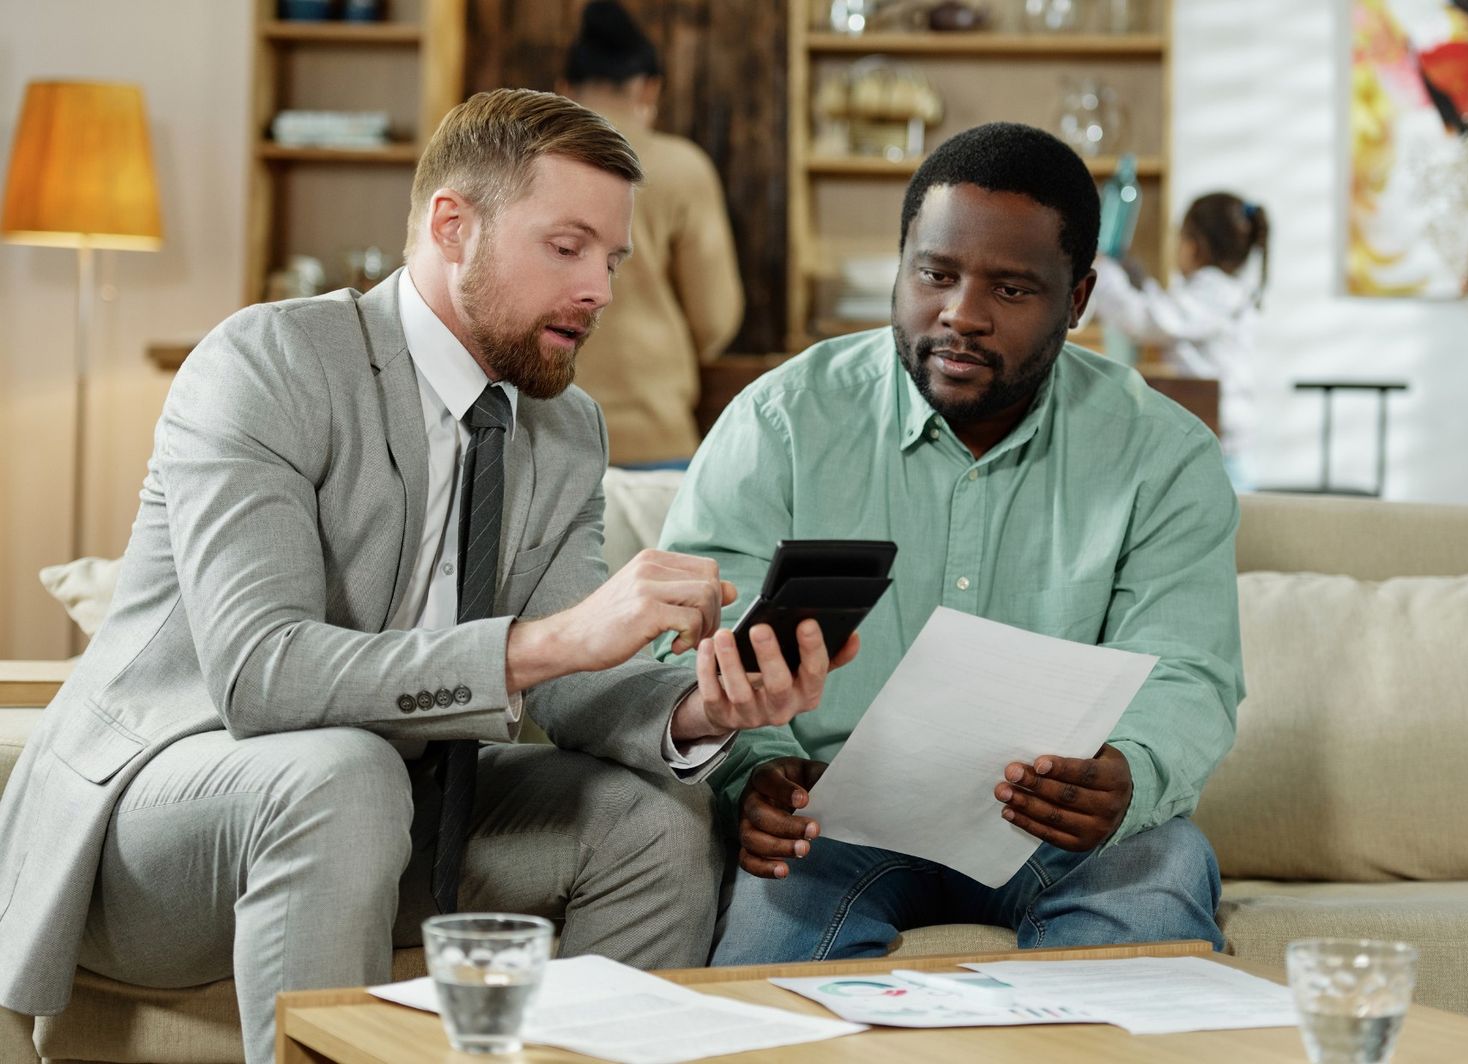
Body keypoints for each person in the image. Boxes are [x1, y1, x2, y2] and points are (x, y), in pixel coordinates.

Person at [0, 89, 851, 1064]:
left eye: (611, 260)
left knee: (654, 817)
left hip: (399, 819)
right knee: (342, 772)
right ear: (455, 225)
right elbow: (260, 674)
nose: (603, 289)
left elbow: (576, 684)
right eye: (566, 247)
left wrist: (707, 706)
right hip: (157, 833)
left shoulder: (565, 427)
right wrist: (551, 640)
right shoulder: (269, 362)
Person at [656, 122, 1245, 965]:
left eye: (1011, 290)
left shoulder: (1163, 454)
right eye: (934, 274)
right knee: (768, 967)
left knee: (1163, 874)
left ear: (1076, 302)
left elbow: (1191, 668)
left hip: (1054, 825)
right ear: (901, 266)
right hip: (832, 817)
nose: (960, 315)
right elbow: (692, 639)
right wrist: (759, 770)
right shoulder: (781, 421)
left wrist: (1130, 772)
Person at [559, 0, 744, 469]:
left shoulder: (524, 166)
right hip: (655, 433)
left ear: (562, 90)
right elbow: (716, 317)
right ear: (649, 88)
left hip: (544, 440)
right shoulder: (682, 167)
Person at [1088, 192, 1270, 491]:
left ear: (1195, 246)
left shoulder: (1214, 292)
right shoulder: (1220, 292)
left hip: (1223, 451)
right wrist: (1141, 282)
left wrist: (1104, 274)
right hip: (1226, 444)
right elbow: (1169, 311)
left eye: (1179, 237)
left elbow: (1147, 321)